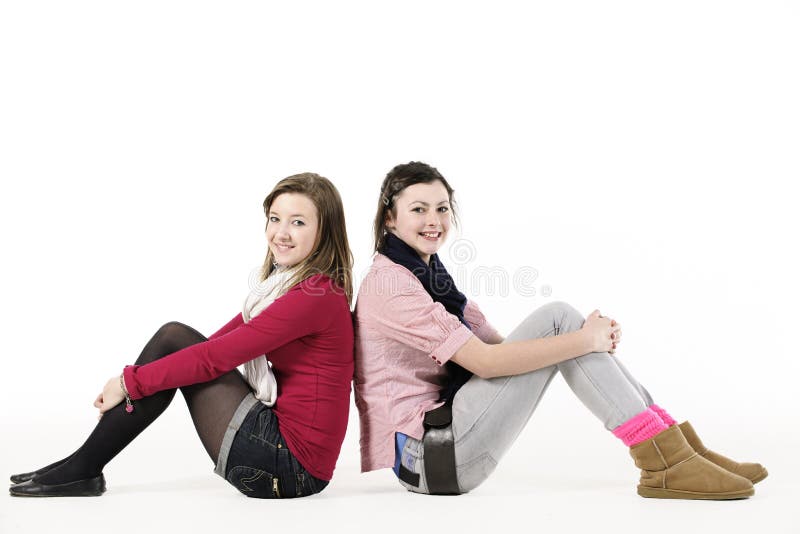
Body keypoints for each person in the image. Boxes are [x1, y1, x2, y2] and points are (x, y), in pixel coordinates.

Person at [353, 161, 767, 499]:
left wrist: (584, 345)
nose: (434, 220)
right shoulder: (392, 285)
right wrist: (582, 340)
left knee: (563, 327)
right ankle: (665, 459)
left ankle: (677, 449)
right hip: (431, 460)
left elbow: (503, 348)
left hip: (446, 441)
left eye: (442, 208)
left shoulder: (431, 278)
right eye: (419, 209)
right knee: (560, 321)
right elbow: (487, 363)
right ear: (390, 218)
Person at [10, 173, 354, 499]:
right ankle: (82, 465)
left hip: (290, 467)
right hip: (287, 457)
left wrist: (129, 383)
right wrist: (139, 381)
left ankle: (83, 467)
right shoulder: (293, 286)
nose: (281, 233)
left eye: (298, 222)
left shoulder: (315, 297)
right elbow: (216, 347)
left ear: (324, 231)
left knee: (173, 339)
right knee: (176, 346)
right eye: (275, 218)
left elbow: (213, 358)